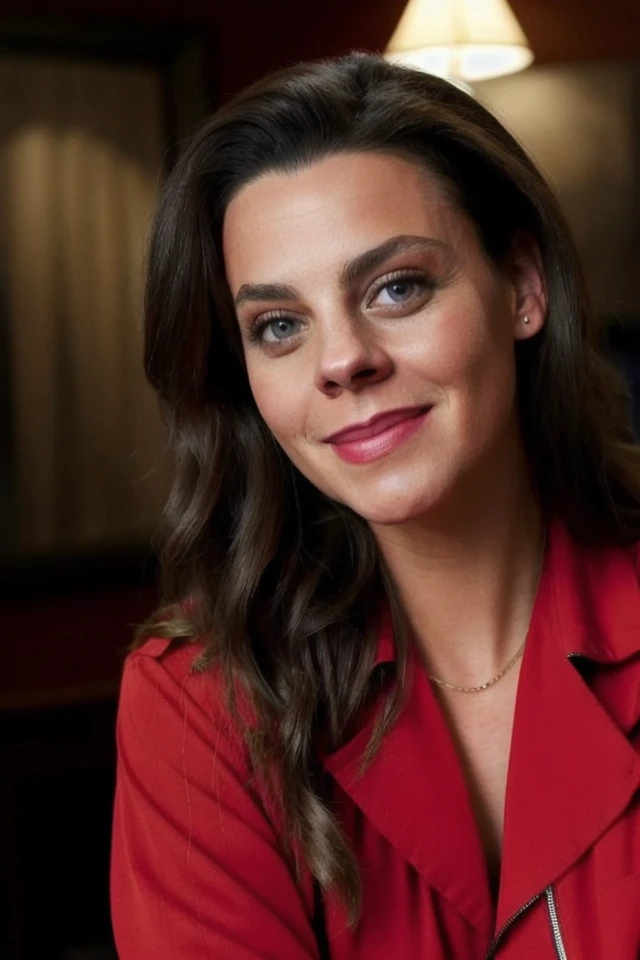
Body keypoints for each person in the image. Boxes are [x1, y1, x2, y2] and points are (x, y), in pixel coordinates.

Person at [110, 53, 640, 959]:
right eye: (280, 325)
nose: (341, 359)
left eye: (397, 287)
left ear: (522, 287)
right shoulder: (204, 703)